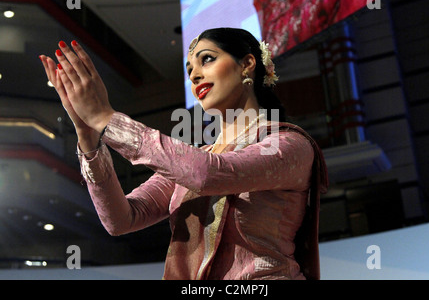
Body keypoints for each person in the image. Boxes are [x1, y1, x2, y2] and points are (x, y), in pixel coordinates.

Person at [39, 27, 328, 280]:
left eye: (207, 59)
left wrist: (107, 119)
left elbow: (208, 174)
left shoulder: (289, 145)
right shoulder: (189, 161)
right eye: (190, 69)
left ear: (247, 64)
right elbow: (121, 219)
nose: (195, 75)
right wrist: (89, 136)